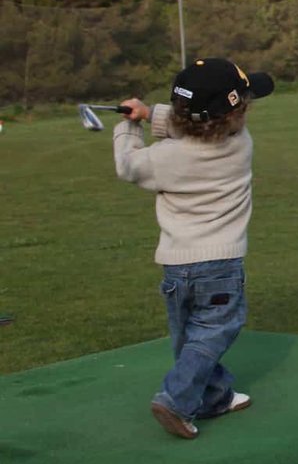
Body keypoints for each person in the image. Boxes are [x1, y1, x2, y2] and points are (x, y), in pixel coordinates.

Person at [114, 57, 275, 439]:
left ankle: (214, 397)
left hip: (175, 266)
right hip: (220, 264)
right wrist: (152, 113)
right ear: (232, 114)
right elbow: (197, 126)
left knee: (190, 337)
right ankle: (176, 399)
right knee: (210, 334)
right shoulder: (239, 143)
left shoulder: (165, 158)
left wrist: (130, 124)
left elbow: (128, 165)